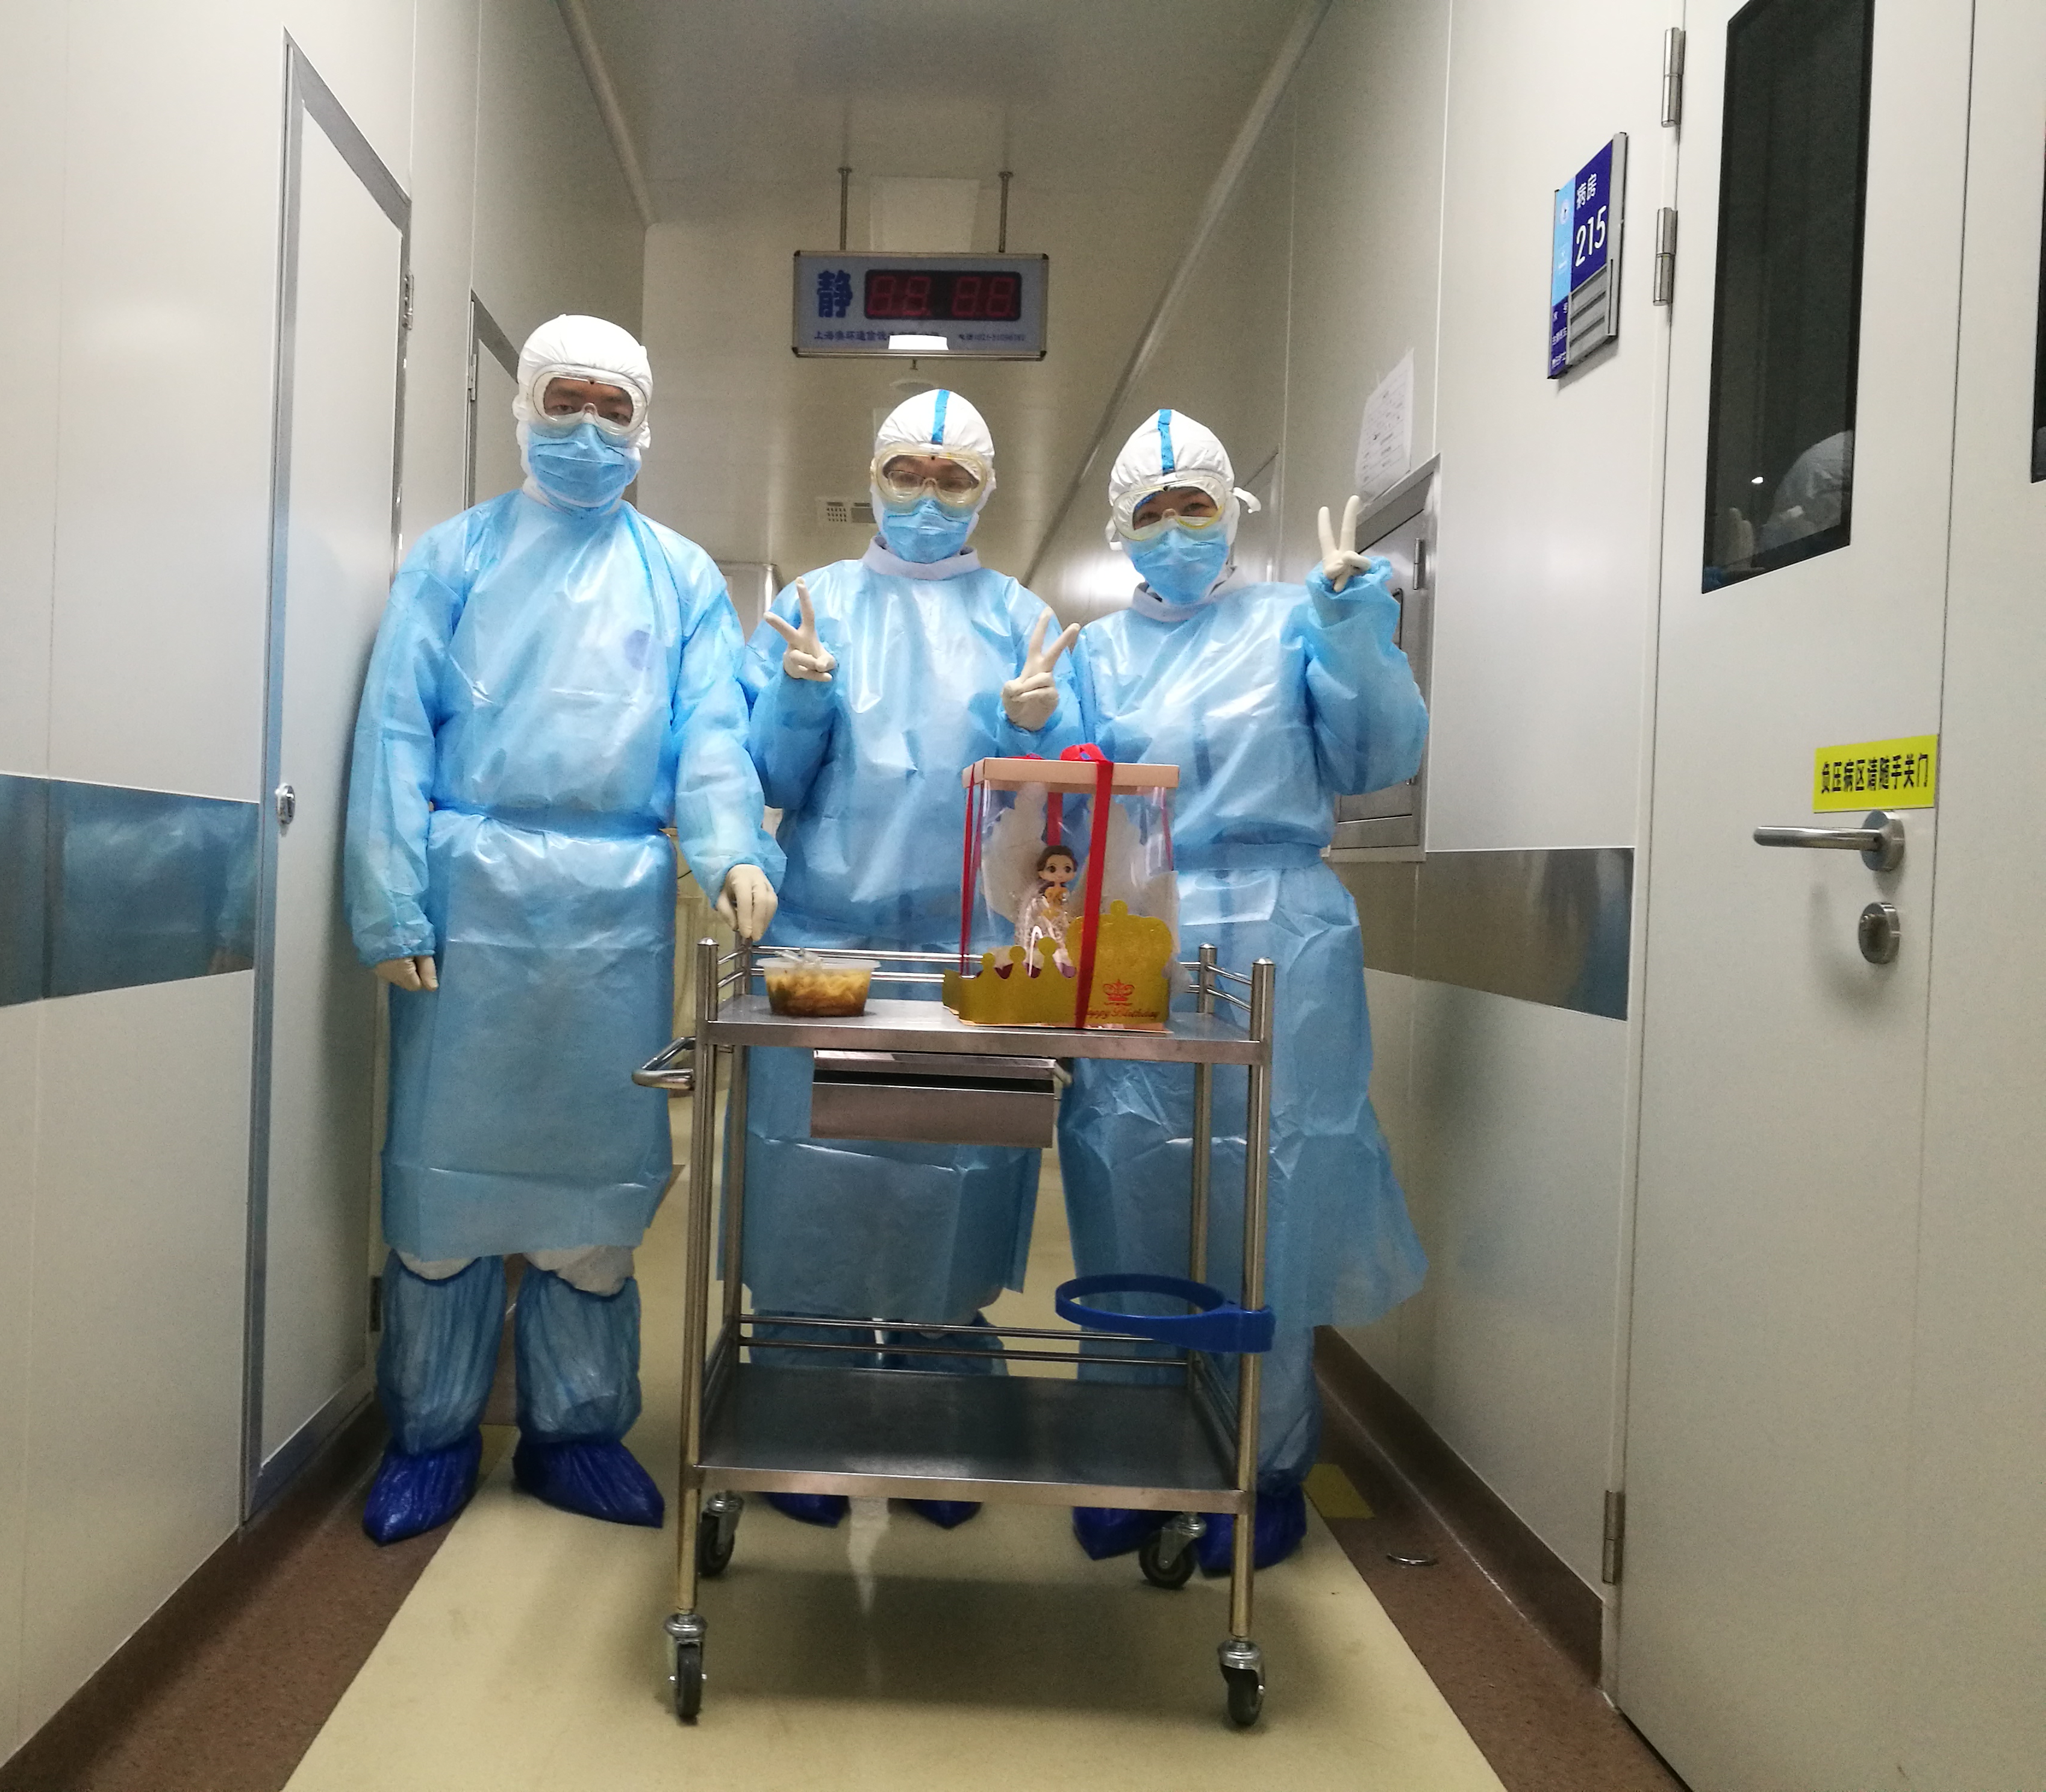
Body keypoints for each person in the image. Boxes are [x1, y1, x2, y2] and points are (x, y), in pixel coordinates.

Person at [343, 314, 780, 1545]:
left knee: (594, 1198)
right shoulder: (455, 556)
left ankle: (575, 1435)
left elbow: (710, 732)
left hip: (615, 913)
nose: (587, 427)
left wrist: (733, 849)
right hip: (468, 900)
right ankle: (430, 1437)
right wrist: (389, 898)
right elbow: (394, 730)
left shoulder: (680, 576)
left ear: (643, 424)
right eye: (565, 400)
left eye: (612, 406)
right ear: (525, 405)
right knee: (443, 1190)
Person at [1059, 409, 1428, 1574]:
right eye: (1153, 510)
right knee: (1131, 1182)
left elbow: (1379, 757)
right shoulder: (1090, 655)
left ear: (1233, 514)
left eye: (1197, 506)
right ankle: (1130, 1459)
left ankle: (1264, 1468)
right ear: (1121, 529)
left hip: (1283, 935)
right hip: (1137, 932)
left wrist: (1355, 626)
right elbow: (1057, 813)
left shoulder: (1293, 620)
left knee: (1273, 1195)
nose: (1176, 527)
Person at [736, 388, 1081, 1530]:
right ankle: (802, 1429)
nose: (928, 495)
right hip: (823, 948)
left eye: (953, 477)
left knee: (952, 1188)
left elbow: (1065, 817)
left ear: (987, 492)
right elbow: (770, 782)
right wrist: (798, 703)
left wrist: (1033, 731)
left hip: (969, 958)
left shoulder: (1024, 619)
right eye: (907, 472)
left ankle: (940, 1425)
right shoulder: (812, 606)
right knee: (814, 1186)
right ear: (872, 476)